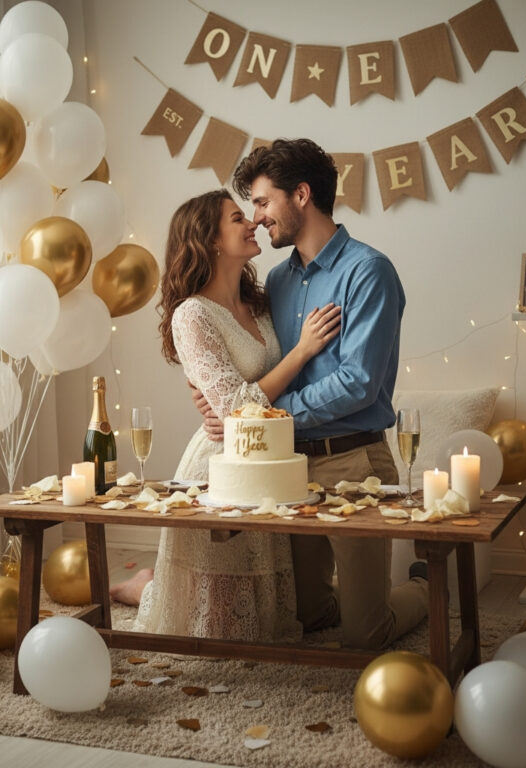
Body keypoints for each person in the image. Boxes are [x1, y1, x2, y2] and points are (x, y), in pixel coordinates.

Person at [196, 139, 428, 650]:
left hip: (354, 462)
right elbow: (253, 361)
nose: (257, 218)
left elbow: (358, 382)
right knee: (305, 614)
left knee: (366, 635)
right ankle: (358, 598)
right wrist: (218, 403)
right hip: (287, 466)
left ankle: (425, 587)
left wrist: (264, 417)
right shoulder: (277, 282)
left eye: (263, 202)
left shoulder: (368, 271)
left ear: (301, 195)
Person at [109, 189, 340, 643]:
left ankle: (148, 582)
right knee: (216, 626)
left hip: (267, 461)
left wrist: (240, 405)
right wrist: (302, 351)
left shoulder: (262, 302)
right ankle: (141, 588)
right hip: (219, 465)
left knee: (261, 618)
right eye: (238, 218)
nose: (253, 222)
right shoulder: (192, 314)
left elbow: (245, 400)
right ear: (210, 240)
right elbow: (235, 408)